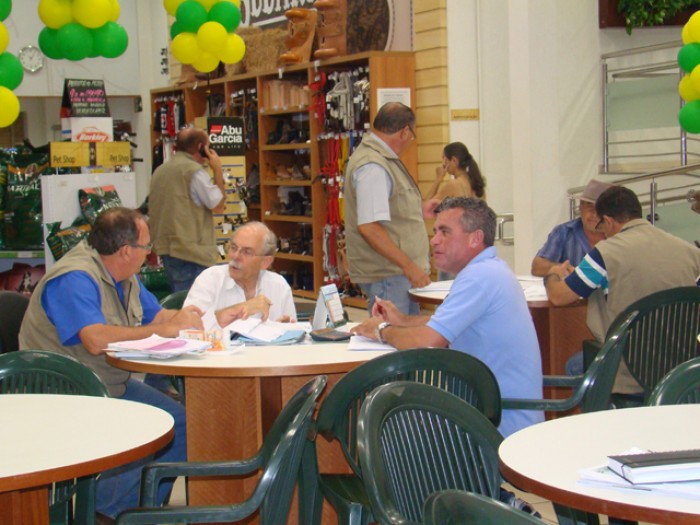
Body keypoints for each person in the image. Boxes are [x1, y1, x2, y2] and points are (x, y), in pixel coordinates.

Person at [18, 207, 204, 522]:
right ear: (126, 251)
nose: (149, 253)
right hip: (63, 391)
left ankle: (136, 511)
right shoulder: (74, 278)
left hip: (107, 383)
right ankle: (108, 513)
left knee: (182, 426)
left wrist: (207, 318)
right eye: (146, 246)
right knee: (148, 428)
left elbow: (160, 317)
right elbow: (95, 339)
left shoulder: (124, 276)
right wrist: (163, 330)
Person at [351, 197, 543, 438]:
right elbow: (446, 325)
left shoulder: (479, 277)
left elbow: (428, 341)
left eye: (445, 232)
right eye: (435, 232)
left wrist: (381, 331)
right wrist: (401, 320)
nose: (434, 240)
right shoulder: (489, 270)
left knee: (388, 428)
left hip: (496, 429)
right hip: (488, 414)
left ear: (475, 238)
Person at [544, 186, 700, 391]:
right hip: (680, 370)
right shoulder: (689, 251)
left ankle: (599, 411)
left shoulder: (604, 254)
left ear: (608, 221)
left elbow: (558, 297)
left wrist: (552, 275)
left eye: (601, 226)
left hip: (628, 371)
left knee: (575, 364)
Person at [344, 101, 431, 315]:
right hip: (389, 275)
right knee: (391, 332)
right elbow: (369, 227)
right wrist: (409, 266)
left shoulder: (381, 159)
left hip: (395, 274)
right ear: (404, 131)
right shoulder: (373, 165)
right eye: (411, 135)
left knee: (405, 332)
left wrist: (420, 209)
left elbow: (389, 208)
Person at [149, 127, 225, 292]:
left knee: (180, 300)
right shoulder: (194, 172)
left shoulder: (160, 171)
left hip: (167, 249)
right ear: (201, 147)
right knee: (196, 302)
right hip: (192, 253)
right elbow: (218, 205)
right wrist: (217, 170)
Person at [184, 221, 297, 330]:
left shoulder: (279, 286)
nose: (235, 256)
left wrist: (285, 330)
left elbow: (295, 333)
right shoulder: (210, 279)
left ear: (265, 262)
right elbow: (187, 329)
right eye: (233, 248)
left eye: (247, 252)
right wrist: (235, 310)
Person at [531, 179, 614, 277]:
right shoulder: (563, 232)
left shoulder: (621, 235)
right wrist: (564, 269)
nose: (594, 214)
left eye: (600, 209)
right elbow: (537, 267)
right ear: (581, 207)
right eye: (589, 206)